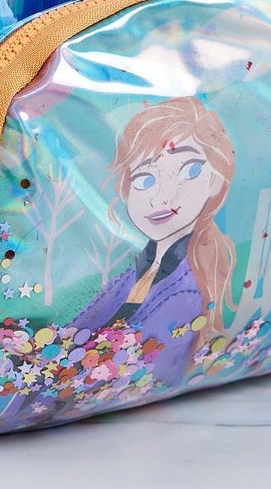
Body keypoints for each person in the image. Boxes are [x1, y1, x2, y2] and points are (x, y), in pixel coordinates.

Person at [71, 96, 237, 385]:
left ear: (216, 179)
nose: (162, 196)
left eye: (190, 170)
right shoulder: (139, 269)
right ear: (126, 190)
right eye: (145, 180)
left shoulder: (185, 290)